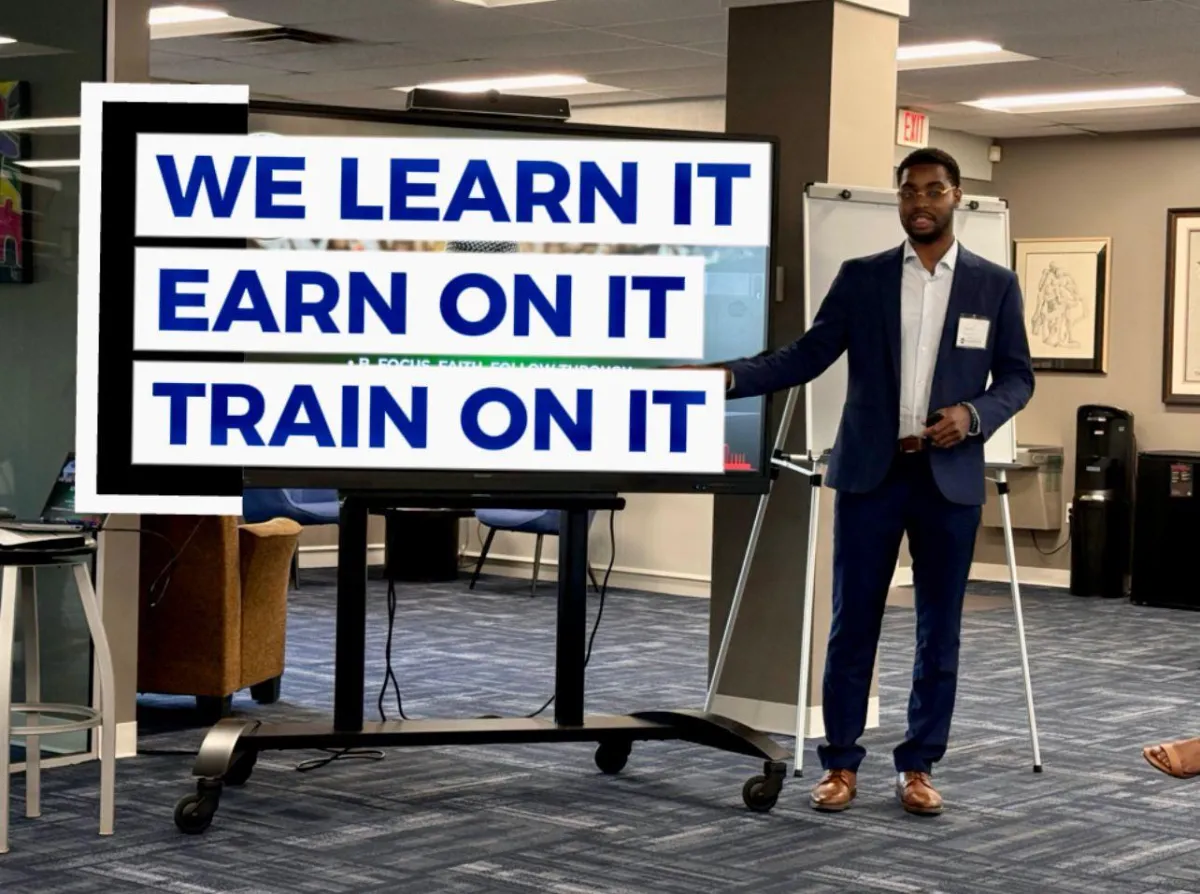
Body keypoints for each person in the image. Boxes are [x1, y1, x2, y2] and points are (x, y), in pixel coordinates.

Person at [714, 148, 1034, 816]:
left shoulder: (993, 285)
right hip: (870, 472)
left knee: (937, 630)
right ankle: (840, 765)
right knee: (851, 626)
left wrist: (974, 416)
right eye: (910, 191)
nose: (921, 202)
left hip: (948, 478)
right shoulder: (861, 278)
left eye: (934, 190)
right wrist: (732, 377)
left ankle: (918, 765)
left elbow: (1016, 378)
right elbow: (807, 354)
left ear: (957, 198)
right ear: (900, 201)